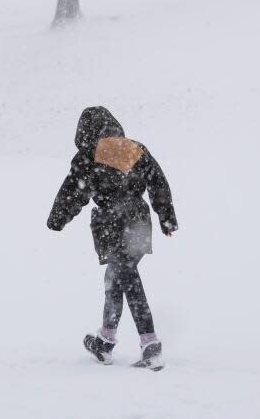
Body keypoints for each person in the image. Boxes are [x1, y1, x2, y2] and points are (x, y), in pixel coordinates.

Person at [47, 106, 178, 370]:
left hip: (114, 224)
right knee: (115, 278)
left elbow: (73, 191)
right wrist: (166, 216)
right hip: (139, 223)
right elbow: (157, 181)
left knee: (127, 279)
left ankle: (150, 344)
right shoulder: (133, 148)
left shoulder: (89, 156)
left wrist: (57, 219)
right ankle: (105, 342)